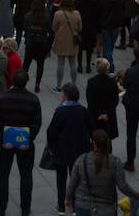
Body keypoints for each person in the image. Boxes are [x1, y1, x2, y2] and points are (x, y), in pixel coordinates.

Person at [0, 69, 42, 216]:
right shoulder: (33, 99)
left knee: (3, 174)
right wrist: (27, 138)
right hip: (24, 144)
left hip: (6, 143)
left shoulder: (2, 98)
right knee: (26, 175)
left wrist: (3, 139)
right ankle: (25, 207)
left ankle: (1, 206)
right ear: (26, 82)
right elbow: (36, 123)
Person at [64, 129, 139, 216]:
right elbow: (123, 186)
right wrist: (137, 194)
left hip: (83, 207)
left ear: (93, 143)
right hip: (106, 209)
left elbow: (72, 183)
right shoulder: (115, 162)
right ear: (108, 143)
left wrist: (68, 198)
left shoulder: (82, 160)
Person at [45, 83, 93, 215]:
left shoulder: (61, 111)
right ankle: (75, 206)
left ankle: (61, 205)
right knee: (77, 179)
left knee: (61, 178)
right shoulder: (83, 111)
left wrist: (51, 144)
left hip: (62, 151)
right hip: (79, 151)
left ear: (66, 96)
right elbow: (91, 128)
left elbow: (51, 131)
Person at [52, 0, 82, 91]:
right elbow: (80, 28)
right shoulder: (76, 13)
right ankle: (74, 84)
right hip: (73, 40)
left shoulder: (58, 14)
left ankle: (59, 85)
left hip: (61, 40)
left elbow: (53, 28)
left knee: (60, 64)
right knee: (73, 63)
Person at [85, 57, 119, 140]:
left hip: (95, 115)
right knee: (108, 137)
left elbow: (90, 100)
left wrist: (99, 114)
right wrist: (106, 114)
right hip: (109, 116)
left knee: (95, 138)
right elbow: (115, 100)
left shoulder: (91, 82)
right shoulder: (112, 82)